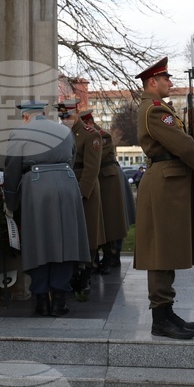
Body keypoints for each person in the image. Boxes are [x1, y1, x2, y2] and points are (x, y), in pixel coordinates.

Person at [133, 57, 194, 341]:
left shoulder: (159, 108)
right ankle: (160, 317)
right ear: (152, 82)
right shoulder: (155, 110)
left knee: (165, 249)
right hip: (165, 181)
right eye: (166, 78)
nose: (171, 82)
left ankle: (166, 312)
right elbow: (183, 145)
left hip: (169, 180)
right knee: (160, 251)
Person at [3, 101, 90, 317]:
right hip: (67, 183)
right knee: (65, 241)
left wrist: (11, 202)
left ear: (25, 117)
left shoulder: (20, 133)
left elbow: (12, 169)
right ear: (43, 113)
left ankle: (41, 299)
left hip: (37, 186)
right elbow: (72, 157)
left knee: (38, 241)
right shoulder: (64, 130)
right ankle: (59, 300)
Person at [57, 99, 105, 284]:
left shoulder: (90, 135)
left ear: (76, 112)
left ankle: (86, 270)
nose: (65, 120)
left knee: (88, 230)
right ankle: (72, 270)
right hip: (66, 186)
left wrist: (82, 192)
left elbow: (92, 168)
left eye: (67, 116)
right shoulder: (60, 134)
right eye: (62, 117)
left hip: (85, 187)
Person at [81, 108, 128, 270]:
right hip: (99, 179)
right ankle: (105, 257)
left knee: (111, 220)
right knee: (101, 222)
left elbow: (94, 157)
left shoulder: (102, 136)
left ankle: (111, 257)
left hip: (108, 181)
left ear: (89, 122)